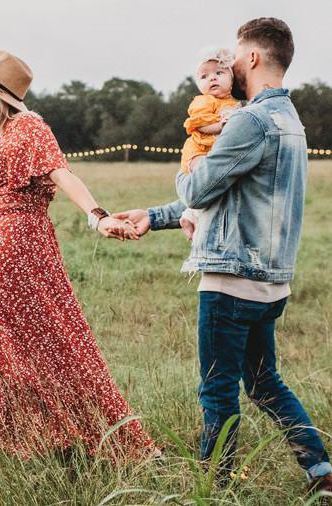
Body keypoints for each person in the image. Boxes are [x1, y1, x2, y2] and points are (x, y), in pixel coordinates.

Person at [116, 18, 332, 493]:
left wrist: (187, 158)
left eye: (235, 54)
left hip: (231, 280)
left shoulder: (250, 120)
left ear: (252, 58)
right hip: (271, 281)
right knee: (263, 383)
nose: (229, 63)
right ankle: (322, 471)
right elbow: (228, 195)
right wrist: (155, 216)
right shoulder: (290, 121)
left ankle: (215, 487)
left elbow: (199, 186)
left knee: (217, 389)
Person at [0, 50, 155, 459]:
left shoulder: (30, 127)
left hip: (18, 248)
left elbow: (62, 172)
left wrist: (97, 216)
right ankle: (0, 440)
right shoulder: (2, 136)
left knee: (49, 341)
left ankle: (66, 436)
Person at [179, 48, 241, 238]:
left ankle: (189, 215)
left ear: (231, 79)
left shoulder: (234, 103)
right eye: (204, 76)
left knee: (215, 182)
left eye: (219, 73)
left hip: (212, 151)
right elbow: (200, 125)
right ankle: (194, 217)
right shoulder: (204, 101)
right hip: (198, 150)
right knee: (205, 179)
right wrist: (220, 125)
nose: (212, 78)